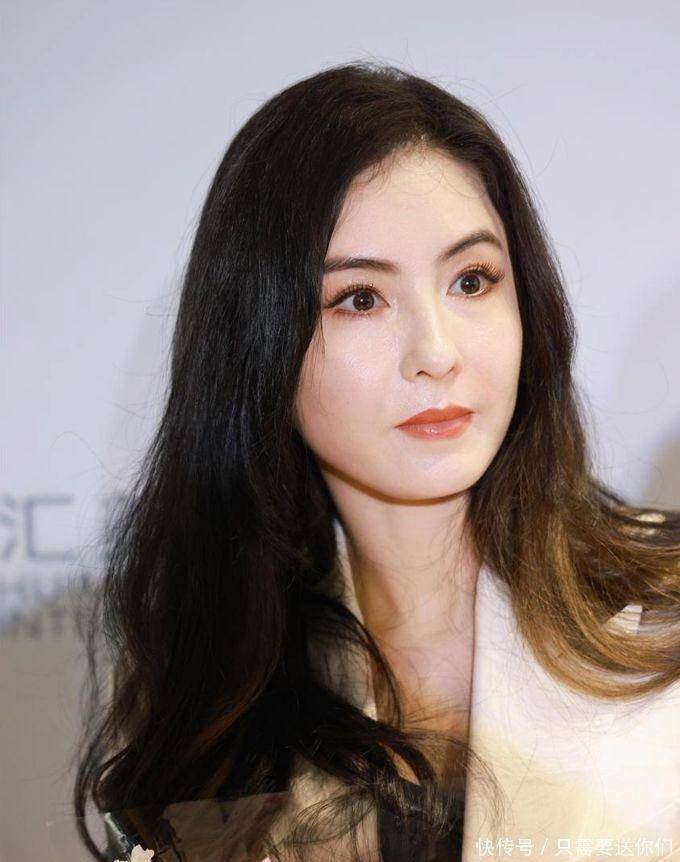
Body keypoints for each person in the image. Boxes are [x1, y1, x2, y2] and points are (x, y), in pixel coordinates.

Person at [73, 61, 680, 862]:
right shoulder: (205, 690)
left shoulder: (666, 612)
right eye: (360, 298)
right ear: (261, 346)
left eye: (472, 280)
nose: (436, 352)